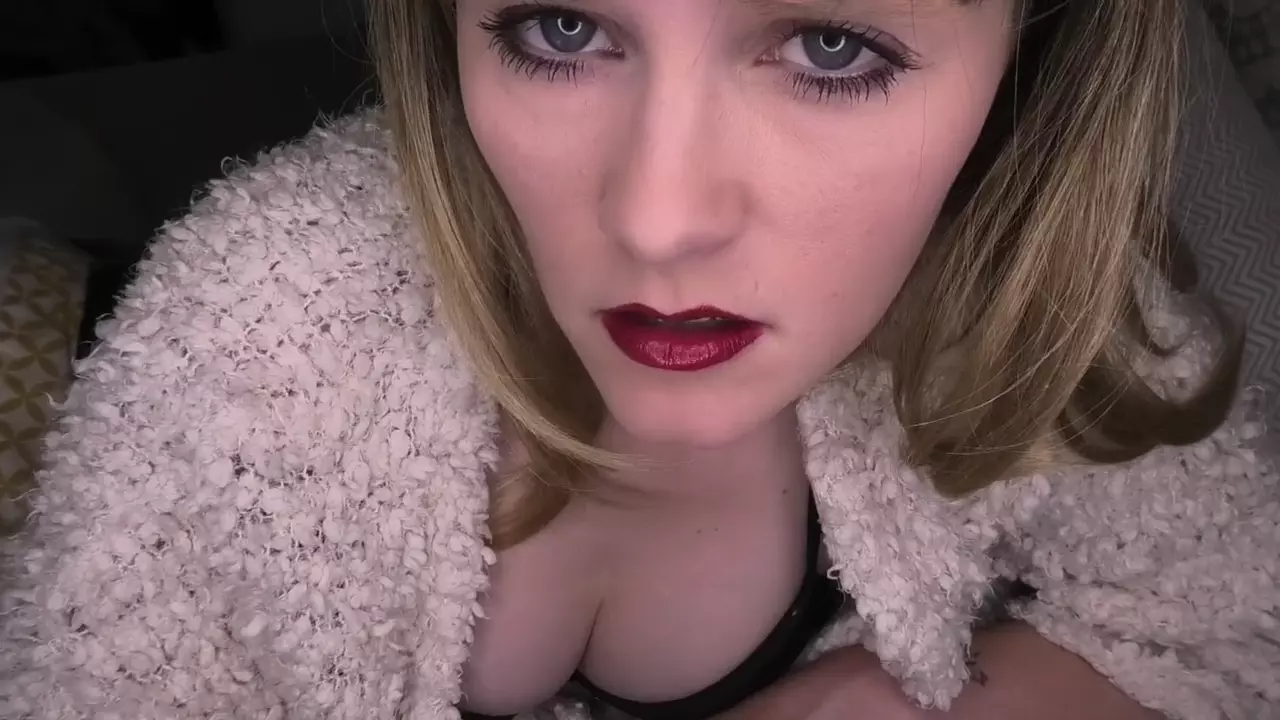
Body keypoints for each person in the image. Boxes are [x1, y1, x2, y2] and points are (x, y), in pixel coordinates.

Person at [1, 0, 1277, 718]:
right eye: (559, 27)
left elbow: (1229, 630)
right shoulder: (255, 317)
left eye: (832, 47)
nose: (658, 219)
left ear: (1030, 59)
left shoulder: (1058, 299)